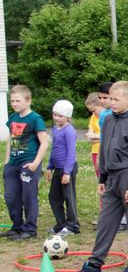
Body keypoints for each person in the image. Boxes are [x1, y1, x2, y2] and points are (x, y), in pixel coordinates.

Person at [70, 82, 128, 272]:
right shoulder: (108, 121)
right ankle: (95, 264)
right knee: (105, 221)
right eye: (110, 98)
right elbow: (104, 148)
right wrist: (102, 177)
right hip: (111, 178)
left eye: (115, 99)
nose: (111, 102)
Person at [2, 85, 49, 241]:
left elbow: (44, 142)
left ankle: (30, 229)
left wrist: (35, 163)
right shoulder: (13, 118)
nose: (14, 104)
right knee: (10, 196)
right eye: (12, 101)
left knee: (28, 196)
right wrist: (7, 162)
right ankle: (17, 227)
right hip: (13, 163)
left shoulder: (35, 119)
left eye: (18, 101)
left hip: (28, 162)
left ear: (28, 101)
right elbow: (11, 140)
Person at [46, 100, 80, 236]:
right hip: (57, 168)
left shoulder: (69, 131)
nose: (56, 118)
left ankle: (73, 225)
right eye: (54, 114)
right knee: (54, 196)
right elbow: (54, 149)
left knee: (68, 196)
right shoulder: (55, 129)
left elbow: (71, 152)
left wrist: (67, 172)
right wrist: (50, 166)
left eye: (60, 116)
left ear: (68, 117)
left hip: (67, 168)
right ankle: (61, 224)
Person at [85, 92, 102, 178]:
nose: (93, 113)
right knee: (99, 175)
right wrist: (101, 138)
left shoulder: (108, 117)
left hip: (104, 151)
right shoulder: (93, 118)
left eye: (94, 111)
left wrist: (96, 137)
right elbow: (89, 138)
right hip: (95, 150)